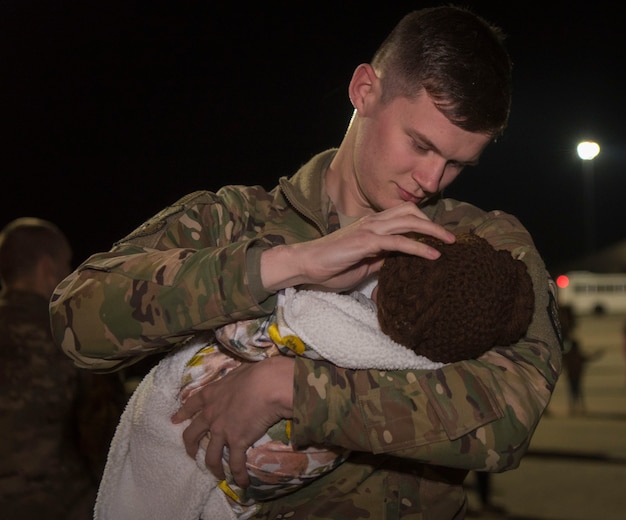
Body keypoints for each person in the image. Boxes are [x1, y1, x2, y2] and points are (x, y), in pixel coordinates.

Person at [50, 6, 564, 518]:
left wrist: (293, 392)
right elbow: (76, 323)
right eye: (420, 144)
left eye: (456, 163)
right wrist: (285, 265)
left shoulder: (479, 246)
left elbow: (509, 417)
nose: (431, 180)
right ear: (365, 89)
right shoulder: (233, 220)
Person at [96, 233, 535, 519]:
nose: (433, 175)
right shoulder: (424, 364)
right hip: (261, 480)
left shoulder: (328, 317)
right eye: (419, 145)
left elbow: (243, 333)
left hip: (204, 430)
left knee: (150, 478)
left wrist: (283, 383)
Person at [0, 218, 125, 519]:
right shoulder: (73, 337)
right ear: (47, 269)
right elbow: (107, 437)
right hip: (61, 505)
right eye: (66, 265)